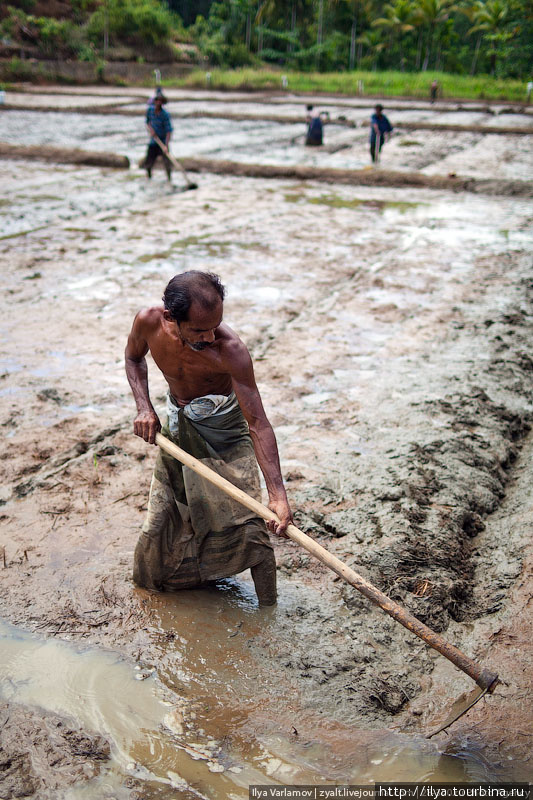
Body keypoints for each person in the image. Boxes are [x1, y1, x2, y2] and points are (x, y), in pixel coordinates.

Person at [125, 271, 293, 606]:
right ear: (171, 317)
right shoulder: (148, 322)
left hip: (226, 431)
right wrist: (144, 408)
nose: (210, 335)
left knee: (251, 525)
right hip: (177, 426)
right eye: (200, 330)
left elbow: (258, 423)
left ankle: (268, 610)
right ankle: (154, 593)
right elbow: (133, 357)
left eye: (215, 325)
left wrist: (278, 496)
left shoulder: (230, 350)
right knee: (162, 520)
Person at [144, 89, 173, 181]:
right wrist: (151, 130)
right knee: (148, 163)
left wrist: (166, 146)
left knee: (167, 163)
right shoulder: (150, 111)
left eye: (160, 101)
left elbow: (169, 131)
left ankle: (169, 179)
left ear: (162, 103)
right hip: (153, 141)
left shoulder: (165, 115)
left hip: (163, 141)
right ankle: (149, 178)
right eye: (157, 100)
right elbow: (147, 123)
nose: (158, 103)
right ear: (155, 101)